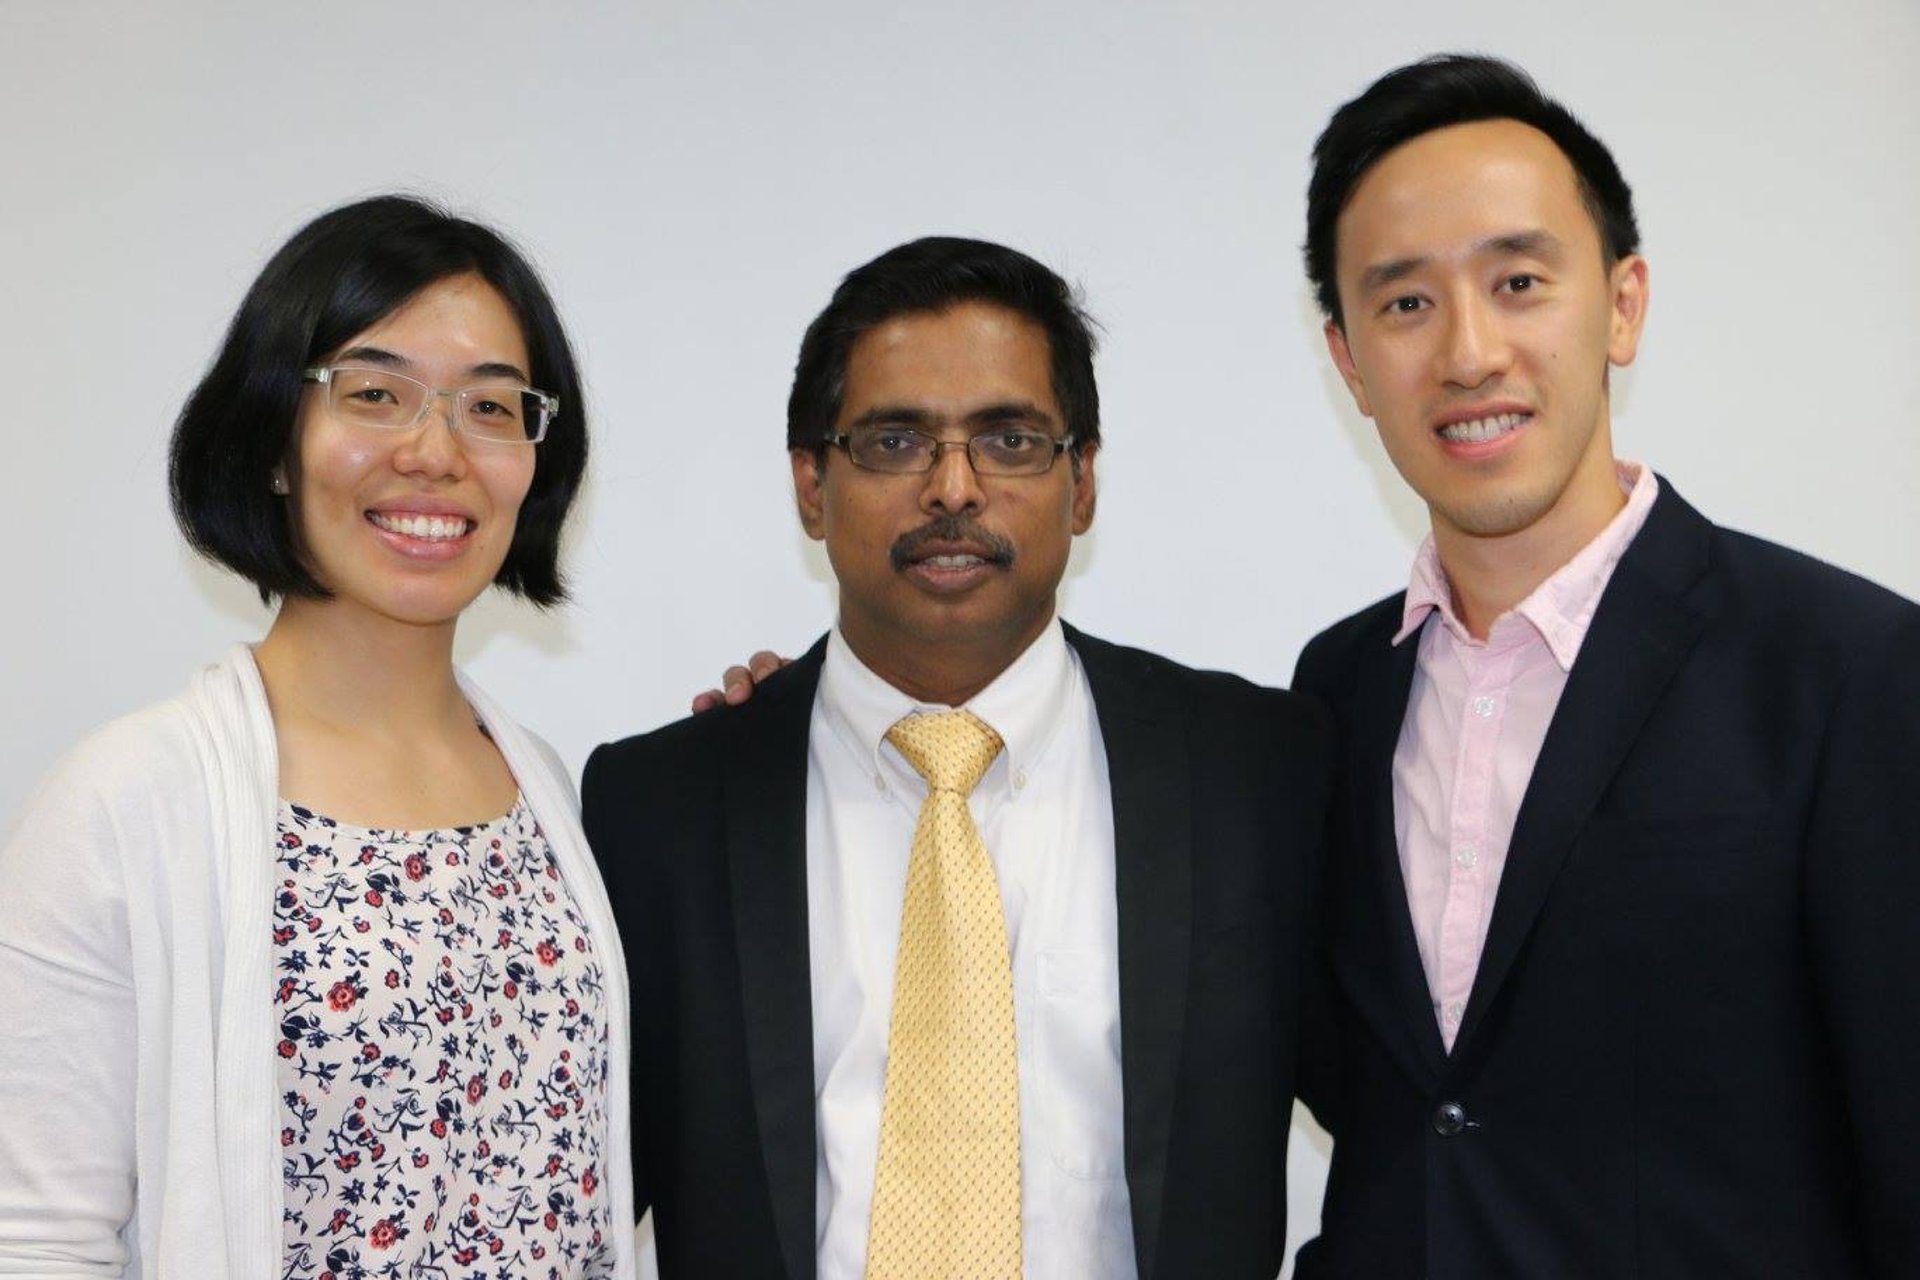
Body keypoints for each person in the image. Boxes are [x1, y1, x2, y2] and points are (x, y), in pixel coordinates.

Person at [583, 236, 1333, 1279]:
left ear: (1083, 485)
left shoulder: (1262, 773)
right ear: (811, 484)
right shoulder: (656, 808)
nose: (953, 487)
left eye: (1012, 439)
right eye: (894, 442)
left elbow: (1416, 1118)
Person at [1289, 54, 1920, 1277]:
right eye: (1406, 303)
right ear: (1350, 359)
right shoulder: (1337, 691)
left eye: (1518, 281)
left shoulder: (1851, 671)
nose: (1469, 353)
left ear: (1623, 304)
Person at [0, 196, 636, 1278]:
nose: (436, 452)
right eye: (375, 393)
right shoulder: (128, 800)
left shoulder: (552, 800)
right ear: (275, 442)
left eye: (492, 406)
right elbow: (37, 1238)